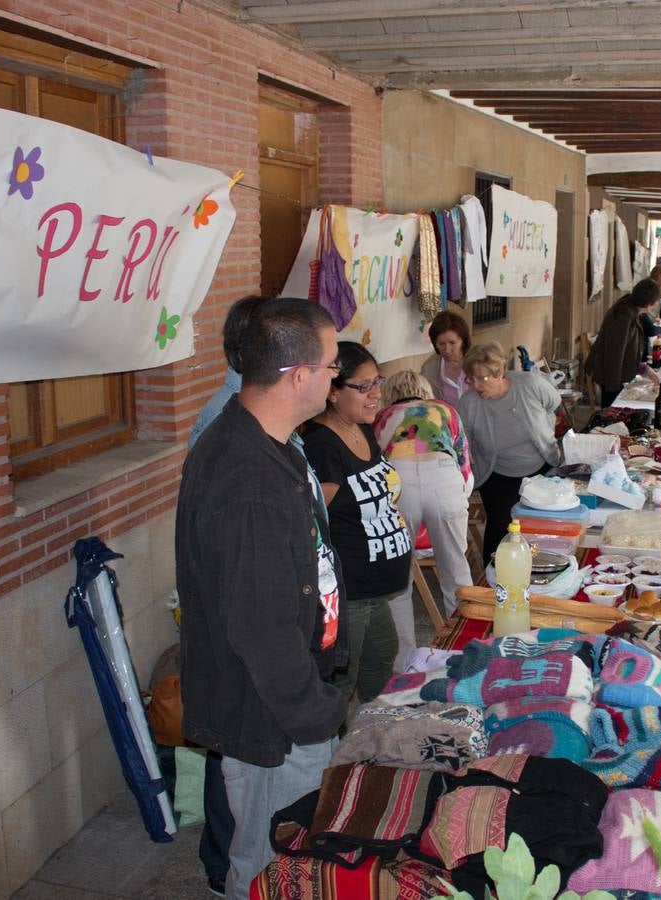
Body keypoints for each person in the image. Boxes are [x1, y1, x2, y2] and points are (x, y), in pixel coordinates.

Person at [177, 298, 346, 900]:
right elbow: (261, 630)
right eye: (330, 365)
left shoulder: (271, 445)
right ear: (297, 375)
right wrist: (314, 716)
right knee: (270, 861)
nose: (336, 377)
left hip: (289, 705)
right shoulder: (244, 479)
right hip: (274, 718)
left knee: (275, 851)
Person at [184, 294, 273, 897]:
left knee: (240, 757)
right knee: (233, 752)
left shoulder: (252, 416)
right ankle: (225, 866)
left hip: (253, 621)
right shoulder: (228, 421)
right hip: (241, 625)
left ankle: (231, 854)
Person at [303, 342, 412, 706]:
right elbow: (314, 522)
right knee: (342, 679)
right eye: (363, 386)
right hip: (351, 591)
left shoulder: (361, 429)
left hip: (374, 591)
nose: (376, 394)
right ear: (333, 392)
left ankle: (367, 741)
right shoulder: (321, 446)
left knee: (382, 657)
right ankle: (335, 757)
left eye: (377, 382)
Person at [374, 370, 473, 660]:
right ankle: (466, 646)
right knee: (455, 568)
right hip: (444, 476)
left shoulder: (382, 417)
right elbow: (464, 461)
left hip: (399, 482)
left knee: (398, 578)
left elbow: (376, 464)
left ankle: (403, 660)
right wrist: (460, 502)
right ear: (424, 390)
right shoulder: (445, 410)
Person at [457, 341, 562, 563]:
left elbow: (554, 403)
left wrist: (545, 427)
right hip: (497, 474)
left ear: (500, 372)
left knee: (542, 526)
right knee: (499, 529)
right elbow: (462, 438)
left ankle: (542, 570)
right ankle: (492, 584)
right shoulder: (468, 403)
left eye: (482, 378)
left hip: (540, 468)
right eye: (471, 379)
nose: (476, 385)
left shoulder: (530, 384)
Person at [585, 279, 661, 408]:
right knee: (611, 415)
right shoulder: (624, 315)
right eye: (653, 303)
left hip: (615, 373)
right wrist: (614, 387)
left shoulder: (630, 308)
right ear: (648, 303)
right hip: (612, 375)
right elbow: (616, 352)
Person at [419, 311, 473, 407]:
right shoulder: (429, 369)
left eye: (452, 343)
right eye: (441, 344)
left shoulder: (478, 361)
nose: (447, 350)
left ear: (463, 341)